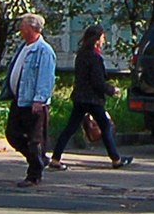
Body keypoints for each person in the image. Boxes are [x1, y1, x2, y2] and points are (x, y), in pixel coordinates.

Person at [52, 25, 131, 169]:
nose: (104, 40)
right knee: (106, 126)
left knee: (70, 128)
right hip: (93, 99)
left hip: (80, 97)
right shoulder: (95, 57)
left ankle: (55, 158)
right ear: (96, 40)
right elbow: (97, 82)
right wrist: (112, 90)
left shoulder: (81, 55)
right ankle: (116, 160)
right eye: (102, 37)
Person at [4, 13, 55, 186]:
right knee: (13, 134)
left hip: (34, 103)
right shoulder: (24, 47)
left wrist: (39, 99)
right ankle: (39, 160)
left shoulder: (44, 51)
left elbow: (46, 77)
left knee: (35, 140)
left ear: (32, 28)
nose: (20, 29)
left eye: (23, 26)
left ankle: (34, 175)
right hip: (20, 99)